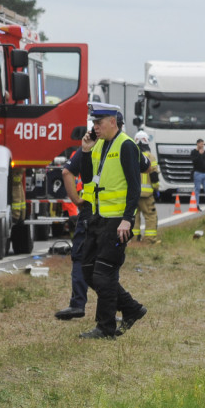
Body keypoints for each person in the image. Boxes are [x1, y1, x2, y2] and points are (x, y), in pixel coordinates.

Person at [77, 102, 147, 339]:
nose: (94, 127)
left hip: (118, 221)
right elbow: (87, 178)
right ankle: (131, 309)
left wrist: (128, 219)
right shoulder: (98, 144)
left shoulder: (126, 145)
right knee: (88, 271)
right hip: (98, 218)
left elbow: (135, 186)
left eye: (98, 123)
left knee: (104, 274)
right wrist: (86, 151)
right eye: (93, 123)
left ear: (112, 122)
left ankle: (105, 327)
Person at [53, 148, 91, 320]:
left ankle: (77, 304)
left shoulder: (85, 150)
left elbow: (67, 172)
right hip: (113, 214)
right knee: (107, 263)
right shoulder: (122, 146)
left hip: (88, 212)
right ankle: (115, 308)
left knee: (81, 258)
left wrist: (76, 200)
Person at [132, 131, 160, 243]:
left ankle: (133, 240)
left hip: (133, 193)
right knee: (150, 215)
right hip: (146, 194)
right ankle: (149, 239)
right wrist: (156, 189)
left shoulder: (131, 155)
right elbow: (154, 175)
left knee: (134, 217)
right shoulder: (150, 157)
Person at [190, 138, 205, 209]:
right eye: (201, 144)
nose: (203, 145)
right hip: (197, 173)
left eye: (203, 144)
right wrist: (199, 154)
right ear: (198, 144)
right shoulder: (194, 152)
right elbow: (194, 161)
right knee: (197, 190)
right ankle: (197, 205)